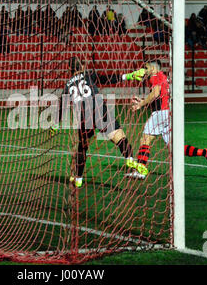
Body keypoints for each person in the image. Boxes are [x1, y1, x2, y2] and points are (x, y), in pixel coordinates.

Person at [49, 57, 146, 188]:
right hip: (98, 108)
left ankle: (78, 178)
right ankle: (129, 159)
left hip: (83, 116)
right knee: (118, 136)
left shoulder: (67, 86)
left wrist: (55, 125)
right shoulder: (89, 74)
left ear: (69, 69)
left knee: (82, 148)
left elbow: (62, 107)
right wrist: (129, 76)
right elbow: (108, 79)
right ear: (82, 67)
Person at [127, 60, 207, 179]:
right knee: (175, 148)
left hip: (160, 114)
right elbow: (159, 97)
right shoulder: (163, 77)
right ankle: (205, 152)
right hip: (167, 114)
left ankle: (141, 171)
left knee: (145, 140)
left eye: (147, 68)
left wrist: (141, 104)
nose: (145, 70)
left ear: (153, 69)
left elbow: (155, 94)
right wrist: (143, 101)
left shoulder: (154, 77)